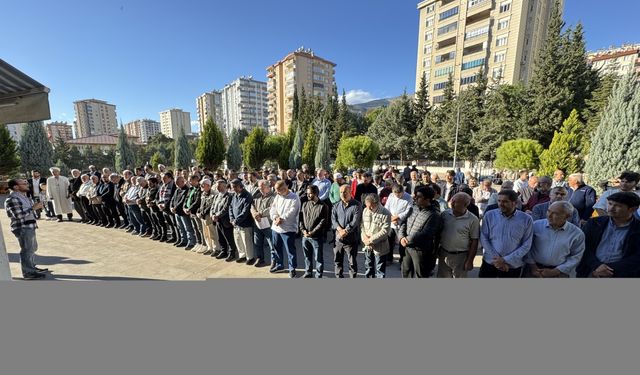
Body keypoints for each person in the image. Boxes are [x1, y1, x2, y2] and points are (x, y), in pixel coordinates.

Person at [577, 192, 640, 278]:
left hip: (623, 274)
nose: (611, 208)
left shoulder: (637, 228)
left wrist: (608, 269)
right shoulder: (594, 223)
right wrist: (597, 266)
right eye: (610, 204)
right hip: (591, 271)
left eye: (618, 206)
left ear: (632, 209)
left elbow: (637, 257)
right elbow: (582, 246)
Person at [479, 190, 533, 278]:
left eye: (505, 201)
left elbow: (526, 244)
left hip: (512, 265)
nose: (501, 204)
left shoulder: (526, 219)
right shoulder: (489, 215)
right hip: (490, 262)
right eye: (499, 201)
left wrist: (505, 260)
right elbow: (484, 237)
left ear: (514, 203)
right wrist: (498, 260)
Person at [525, 202, 585, 278]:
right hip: (533, 270)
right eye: (548, 211)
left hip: (559, 273)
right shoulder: (535, 226)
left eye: (555, 213)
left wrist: (556, 271)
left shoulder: (576, 234)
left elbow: (576, 256)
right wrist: (533, 266)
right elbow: (527, 247)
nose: (549, 215)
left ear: (567, 216)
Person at [5, 179, 47, 279]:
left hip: (29, 226)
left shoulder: (23, 196)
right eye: (24, 183)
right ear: (15, 187)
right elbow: (18, 216)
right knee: (27, 250)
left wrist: (35, 207)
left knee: (32, 248)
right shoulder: (12, 199)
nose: (27, 185)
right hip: (23, 227)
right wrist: (33, 208)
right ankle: (28, 273)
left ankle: (32, 268)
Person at [399, 186, 442, 278]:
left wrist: (407, 239)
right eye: (416, 196)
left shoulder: (434, 214)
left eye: (419, 197)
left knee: (421, 274)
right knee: (406, 272)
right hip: (407, 247)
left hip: (420, 250)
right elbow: (404, 223)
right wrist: (402, 237)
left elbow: (426, 233)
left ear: (427, 199)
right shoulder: (413, 208)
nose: (415, 198)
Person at [437, 193, 480, 278]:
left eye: (455, 202)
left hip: (461, 257)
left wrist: (470, 260)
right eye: (452, 201)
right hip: (443, 253)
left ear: (465, 204)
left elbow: (474, 241)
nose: (452, 204)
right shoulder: (445, 214)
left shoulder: (473, 219)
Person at [269, 180, 301, 277]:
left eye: (279, 190)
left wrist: (281, 218)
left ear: (285, 188)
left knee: (290, 250)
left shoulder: (294, 197)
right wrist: (275, 217)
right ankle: (280, 265)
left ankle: (292, 268)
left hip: (288, 229)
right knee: (277, 247)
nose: (277, 192)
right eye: (276, 190)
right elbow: (273, 208)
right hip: (276, 227)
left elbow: (292, 212)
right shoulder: (278, 196)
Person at [332, 184, 362, 278]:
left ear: (350, 192)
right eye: (341, 192)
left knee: (352, 263)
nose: (342, 194)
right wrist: (340, 230)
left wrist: (345, 231)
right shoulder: (336, 205)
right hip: (338, 240)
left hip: (351, 240)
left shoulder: (357, 205)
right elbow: (333, 220)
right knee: (337, 261)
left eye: (345, 192)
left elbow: (355, 221)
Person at [300, 185, 328, 278]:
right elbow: (300, 219)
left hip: (316, 237)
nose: (308, 195)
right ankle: (308, 272)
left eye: (310, 193)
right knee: (307, 256)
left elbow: (323, 222)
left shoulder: (323, 206)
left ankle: (318, 275)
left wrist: (313, 232)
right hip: (305, 236)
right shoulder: (304, 204)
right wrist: (303, 230)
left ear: (316, 193)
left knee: (318, 258)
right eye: (307, 194)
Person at [361, 193, 391, 278]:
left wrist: (370, 240)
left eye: (371, 206)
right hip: (367, 246)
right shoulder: (365, 210)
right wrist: (365, 239)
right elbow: (362, 226)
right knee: (368, 267)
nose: (369, 208)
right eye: (367, 206)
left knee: (380, 270)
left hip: (380, 246)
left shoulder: (386, 213)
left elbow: (384, 231)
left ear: (377, 203)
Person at [384, 184, 413, 265]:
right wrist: (391, 218)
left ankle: (402, 262)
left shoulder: (408, 197)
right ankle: (389, 259)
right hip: (391, 222)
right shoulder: (391, 195)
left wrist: (398, 217)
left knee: (402, 243)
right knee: (389, 241)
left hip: (402, 223)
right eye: (395, 194)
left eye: (399, 194)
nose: (397, 196)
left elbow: (408, 211)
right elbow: (387, 207)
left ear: (403, 192)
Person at [229, 179, 255, 264]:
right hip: (235, 224)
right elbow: (230, 207)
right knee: (238, 241)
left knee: (247, 242)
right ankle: (242, 256)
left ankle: (250, 258)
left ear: (240, 186)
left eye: (235, 187)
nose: (233, 189)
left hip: (245, 224)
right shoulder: (235, 195)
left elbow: (245, 211)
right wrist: (232, 219)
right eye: (232, 187)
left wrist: (236, 220)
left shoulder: (247, 196)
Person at [251, 180, 275, 268]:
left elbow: (271, 208)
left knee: (272, 244)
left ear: (268, 187)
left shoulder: (274, 196)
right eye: (259, 187)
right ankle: (260, 259)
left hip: (268, 223)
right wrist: (254, 214)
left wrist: (260, 213)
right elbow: (252, 205)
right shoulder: (257, 196)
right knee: (257, 243)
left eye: (262, 188)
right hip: (257, 223)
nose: (259, 189)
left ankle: (274, 261)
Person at [211, 180, 237, 261]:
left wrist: (217, 215)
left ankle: (232, 253)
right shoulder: (217, 196)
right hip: (217, 220)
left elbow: (225, 208)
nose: (217, 187)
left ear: (224, 186)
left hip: (225, 221)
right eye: (217, 186)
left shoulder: (229, 196)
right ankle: (223, 251)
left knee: (229, 238)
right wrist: (212, 215)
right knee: (220, 238)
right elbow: (212, 207)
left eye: (219, 186)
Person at [196, 179, 217, 255]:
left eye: (203, 185)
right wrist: (198, 212)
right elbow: (201, 205)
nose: (201, 186)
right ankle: (209, 248)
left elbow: (211, 205)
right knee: (206, 234)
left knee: (212, 234)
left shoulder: (214, 194)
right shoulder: (203, 194)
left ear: (208, 185)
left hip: (209, 217)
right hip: (203, 217)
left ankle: (216, 249)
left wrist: (202, 213)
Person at [183, 175, 203, 251]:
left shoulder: (199, 189)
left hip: (195, 211)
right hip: (190, 212)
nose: (189, 182)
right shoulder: (191, 189)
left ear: (195, 180)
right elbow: (187, 198)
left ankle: (203, 244)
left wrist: (189, 209)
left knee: (199, 228)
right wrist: (184, 207)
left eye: (190, 180)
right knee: (195, 228)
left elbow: (197, 201)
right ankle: (198, 243)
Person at [170, 176, 190, 248]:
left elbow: (183, 201)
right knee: (180, 227)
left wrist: (175, 208)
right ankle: (183, 240)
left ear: (182, 182)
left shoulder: (186, 190)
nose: (176, 184)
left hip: (182, 212)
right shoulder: (177, 190)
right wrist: (171, 207)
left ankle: (190, 242)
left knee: (187, 228)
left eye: (177, 182)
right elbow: (172, 199)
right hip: (176, 212)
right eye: (175, 182)